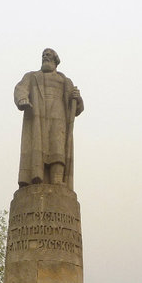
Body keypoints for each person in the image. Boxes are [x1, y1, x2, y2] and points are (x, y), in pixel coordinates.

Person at [14, 48, 84, 190]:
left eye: (48, 55)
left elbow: (77, 109)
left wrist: (78, 98)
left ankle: (57, 179)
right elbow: (20, 88)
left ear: (56, 60)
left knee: (57, 146)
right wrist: (22, 99)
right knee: (37, 146)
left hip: (58, 116)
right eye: (43, 55)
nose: (45, 57)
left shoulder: (65, 81)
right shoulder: (32, 76)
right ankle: (35, 177)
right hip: (37, 115)